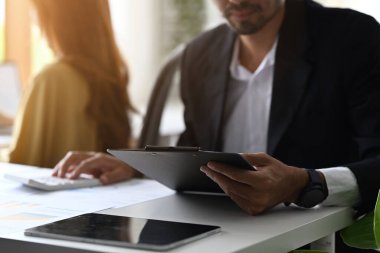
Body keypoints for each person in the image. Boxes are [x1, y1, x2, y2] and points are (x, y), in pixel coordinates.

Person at [54, 0, 380, 251]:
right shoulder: (199, 54)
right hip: (217, 240)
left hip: (316, 241)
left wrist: (306, 183)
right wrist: (137, 167)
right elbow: (194, 154)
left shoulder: (352, 38)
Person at [5, 0, 135, 169]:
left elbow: (19, 164)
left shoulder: (51, 79)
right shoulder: (108, 75)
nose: (34, 22)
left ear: (53, 19)